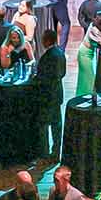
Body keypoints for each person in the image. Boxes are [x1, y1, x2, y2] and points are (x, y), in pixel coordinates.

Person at [33, 28, 67, 161]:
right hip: (57, 93)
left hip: (47, 95)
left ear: (46, 41)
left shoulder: (47, 57)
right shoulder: (60, 53)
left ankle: (45, 152)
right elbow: (63, 73)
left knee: (44, 124)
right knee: (57, 125)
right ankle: (56, 151)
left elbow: (42, 77)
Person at [74, 11, 101, 97]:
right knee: (88, 78)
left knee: (88, 78)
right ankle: (85, 97)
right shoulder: (94, 30)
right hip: (84, 54)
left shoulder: (95, 26)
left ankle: (85, 96)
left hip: (90, 54)